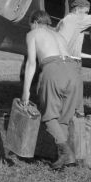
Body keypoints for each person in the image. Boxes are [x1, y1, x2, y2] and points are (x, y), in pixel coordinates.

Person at [21, 10, 80, 170]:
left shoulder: (32, 34)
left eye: (30, 25)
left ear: (34, 22)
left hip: (52, 69)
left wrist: (26, 90)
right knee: (64, 118)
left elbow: (31, 63)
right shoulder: (58, 35)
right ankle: (67, 160)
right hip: (73, 71)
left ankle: (66, 152)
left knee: (49, 116)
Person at [56, 0, 91, 116]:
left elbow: (72, 52)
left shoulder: (64, 21)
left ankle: (68, 122)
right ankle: (75, 126)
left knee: (67, 97)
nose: (87, 14)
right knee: (74, 99)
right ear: (78, 10)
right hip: (70, 64)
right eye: (86, 12)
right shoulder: (77, 19)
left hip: (63, 61)